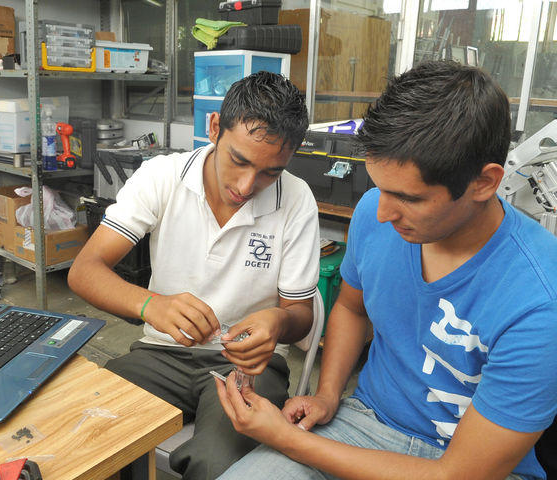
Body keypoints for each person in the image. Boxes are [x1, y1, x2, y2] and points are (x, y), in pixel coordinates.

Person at [215, 60, 557, 480]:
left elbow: (456, 475)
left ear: (484, 183)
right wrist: (327, 394)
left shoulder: (540, 299)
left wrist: (286, 438)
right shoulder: (374, 216)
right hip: (366, 423)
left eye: (409, 198)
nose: (382, 213)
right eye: (379, 188)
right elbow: (351, 308)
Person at [67, 71, 320, 479]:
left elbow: (300, 315)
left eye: (270, 172)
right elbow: (84, 271)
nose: (247, 185)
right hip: (160, 355)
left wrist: (278, 321)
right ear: (215, 127)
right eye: (239, 160)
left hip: (247, 368)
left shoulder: (296, 199)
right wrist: (150, 305)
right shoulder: (162, 176)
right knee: (85, 428)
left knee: (217, 463)